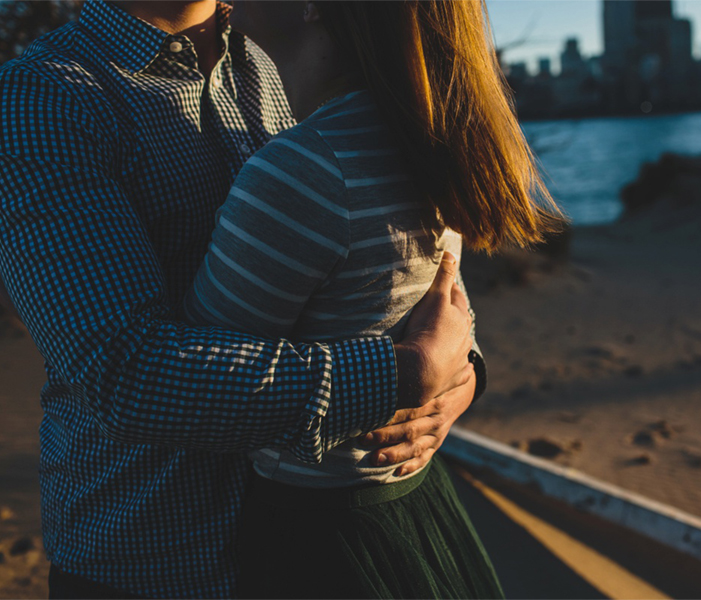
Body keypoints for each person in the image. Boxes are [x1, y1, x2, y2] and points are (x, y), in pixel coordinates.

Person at [0, 1, 482, 598]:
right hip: (158, 556)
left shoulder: (285, 41)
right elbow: (122, 372)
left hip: (316, 542)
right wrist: (402, 375)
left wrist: (459, 374)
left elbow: (395, 238)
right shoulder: (47, 95)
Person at [184, 1, 564, 598]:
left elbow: (198, 388)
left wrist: (435, 375)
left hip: (320, 538)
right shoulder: (417, 139)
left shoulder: (304, 169)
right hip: (414, 506)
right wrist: (449, 374)